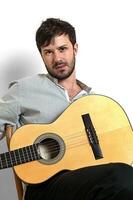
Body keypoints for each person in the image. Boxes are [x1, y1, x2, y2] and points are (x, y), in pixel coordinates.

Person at [0, 18, 133, 200]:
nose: (57, 59)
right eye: (48, 52)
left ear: (75, 49)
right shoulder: (24, 89)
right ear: (41, 55)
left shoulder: (92, 102)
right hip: (44, 188)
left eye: (62, 49)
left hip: (88, 187)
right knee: (122, 176)